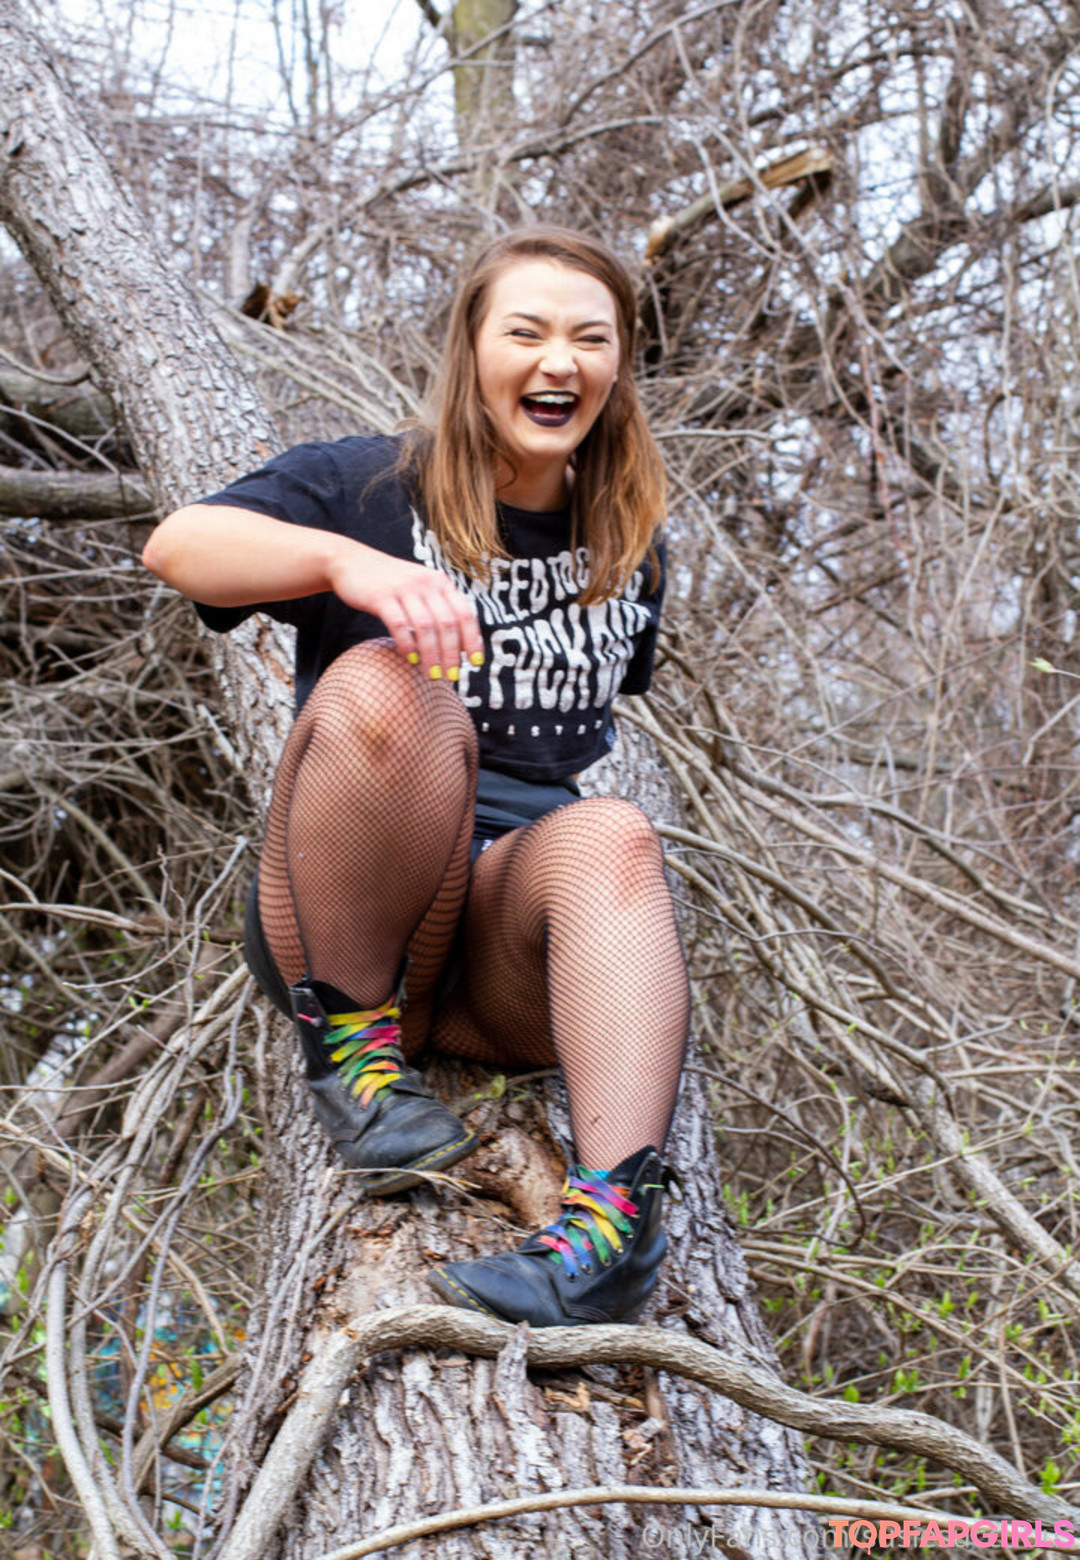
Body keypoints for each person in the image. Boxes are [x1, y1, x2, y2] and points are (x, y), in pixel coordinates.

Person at [142, 225, 689, 1328]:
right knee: (391, 686)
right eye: (526, 332)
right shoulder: (370, 485)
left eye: (591, 339)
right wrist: (343, 562)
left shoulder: (627, 545)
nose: (560, 361)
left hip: (504, 959)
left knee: (617, 831)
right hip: (354, 921)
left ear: (620, 366)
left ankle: (609, 1234)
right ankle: (355, 1064)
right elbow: (180, 547)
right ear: (471, 349)